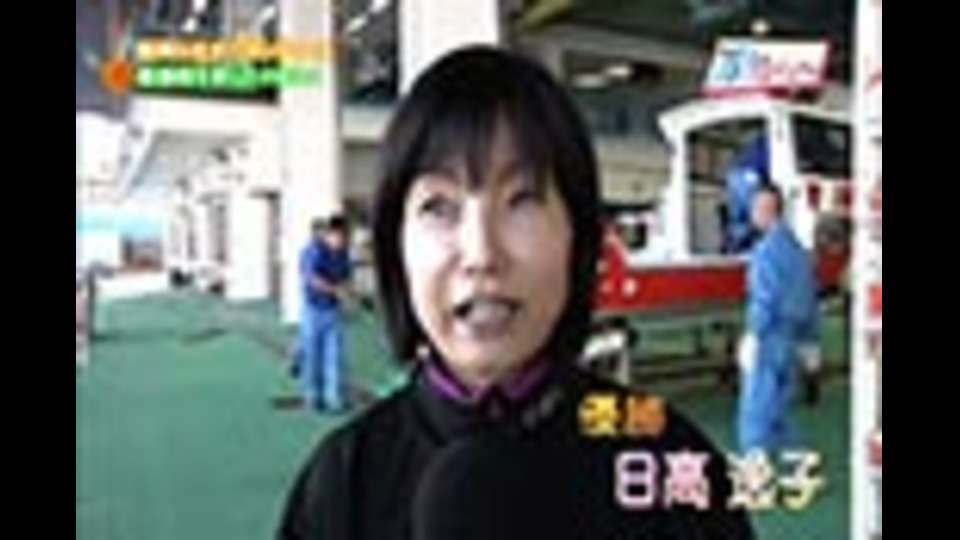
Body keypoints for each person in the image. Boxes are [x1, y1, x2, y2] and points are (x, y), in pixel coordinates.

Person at [277, 45, 755, 540]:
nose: (481, 253)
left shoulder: (671, 461)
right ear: (395, 249)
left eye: (522, 199)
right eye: (438, 207)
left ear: (578, 238)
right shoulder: (342, 482)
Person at [737, 182, 820, 453]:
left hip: (769, 339)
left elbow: (765, 299)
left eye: (754, 207)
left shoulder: (765, 253)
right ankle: (799, 466)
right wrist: (811, 342)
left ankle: (755, 474)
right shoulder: (798, 251)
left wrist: (753, 335)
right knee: (779, 416)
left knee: (755, 421)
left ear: (766, 209)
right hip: (793, 341)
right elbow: (810, 296)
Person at [296, 214, 353, 412]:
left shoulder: (343, 253)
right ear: (330, 234)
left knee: (334, 356)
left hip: (333, 311)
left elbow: (346, 276)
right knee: (313, 355)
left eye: (345, 237)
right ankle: (312, 396)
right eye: (340, 237)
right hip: (313, 310)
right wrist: (335, 290)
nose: (342, 241)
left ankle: (333, 397)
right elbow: (311, 278)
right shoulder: (314, 251)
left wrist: (347, 291)